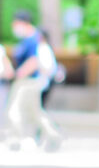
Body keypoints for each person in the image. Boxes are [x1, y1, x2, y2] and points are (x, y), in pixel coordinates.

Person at [6, 11, 61, 149]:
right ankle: (52, 135)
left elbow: (34, 60)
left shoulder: (33, 39)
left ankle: (17, 139)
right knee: (35, 112)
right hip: (30, 81)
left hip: (28, 81)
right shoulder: (28, 39)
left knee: (15, 110)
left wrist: (19, 74)